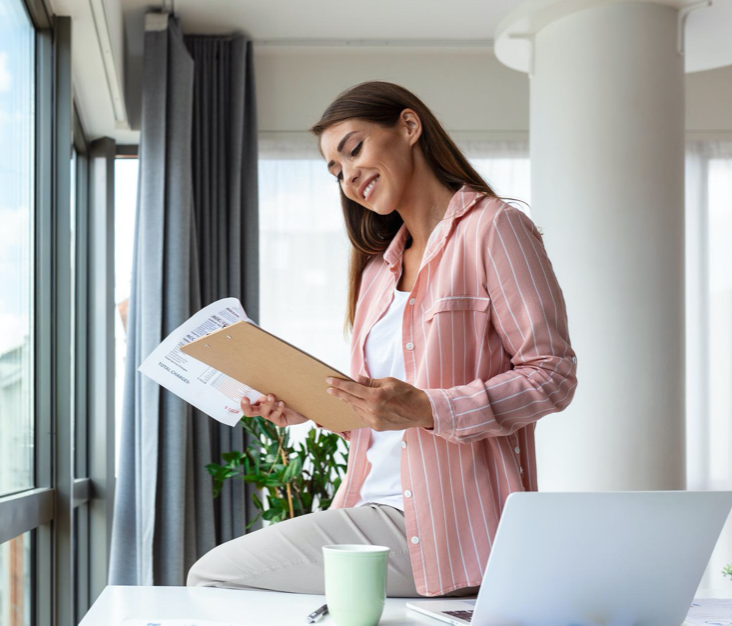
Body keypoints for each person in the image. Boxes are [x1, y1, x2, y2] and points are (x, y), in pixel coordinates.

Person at [186, 80, 578, 598]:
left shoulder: (494, 227)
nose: (348, 176)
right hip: (372, 508)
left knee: (213, 578)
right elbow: (382, 420)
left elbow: (552, 375)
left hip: (454, 525)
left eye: (353, 150)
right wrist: (309, 407)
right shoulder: (376, 273)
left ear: (409, 127)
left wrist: (429, 408)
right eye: (336, 171)